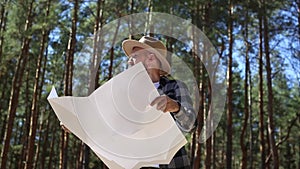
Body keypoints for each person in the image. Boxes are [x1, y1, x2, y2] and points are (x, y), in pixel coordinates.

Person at [122, 36, 197, 169]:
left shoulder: (175, 87)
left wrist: (176, 107)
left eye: (134, 56)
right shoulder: (127, 95)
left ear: (151, 57)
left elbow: (191, 123)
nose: (129, 61)